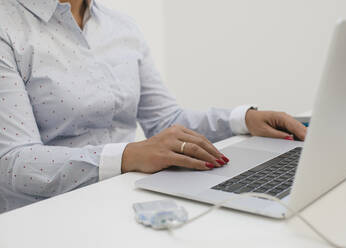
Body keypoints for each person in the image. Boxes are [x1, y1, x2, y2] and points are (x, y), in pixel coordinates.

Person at [0, 0, 306, 213]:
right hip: (41, 217)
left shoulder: (122, 28)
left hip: (122, 199)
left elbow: (167, 121)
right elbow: (12, 160)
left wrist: (243, 120)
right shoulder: (7, 27)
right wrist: (129, 155)